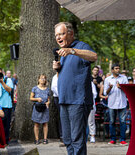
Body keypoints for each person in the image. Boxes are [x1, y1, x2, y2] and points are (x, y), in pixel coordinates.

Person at [52, 22, 97, 155]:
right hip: (64, 100)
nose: (58, 37)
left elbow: (94, 56)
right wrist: (58, 69)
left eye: (62, 34)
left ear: (71, 33)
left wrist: (72, 51)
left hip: (78, 101)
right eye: (56, 35)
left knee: (77, 139)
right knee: (67, 139)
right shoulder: (63, 53)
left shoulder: (80, 46)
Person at [104, 64, 128, 145]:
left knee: (123, 122)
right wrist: (110, 88)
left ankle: (122, 139)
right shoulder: (107, 79)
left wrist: (121, 87)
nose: (118, 70)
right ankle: (113, 139)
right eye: (116, 68)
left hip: (122, 103)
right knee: (112, 121)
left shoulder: (124, 78)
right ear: (112, 70)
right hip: (112, 103)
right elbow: (105, 93)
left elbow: (127, 91)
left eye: (119, 68)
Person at [30, 74, 50, 145]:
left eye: (44, 79)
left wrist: (48, 103)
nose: (43, 80)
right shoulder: (35, 88)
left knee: (45, 123)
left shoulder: (47, 89)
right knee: (36, 124)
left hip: (45, 108)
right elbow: (31, 98)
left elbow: (48, 100)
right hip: (37, 108)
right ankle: (37, 139)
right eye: (41, 78)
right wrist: (37, 99)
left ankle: (45, 139)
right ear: (38, 80)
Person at [51, 72, 62, 141]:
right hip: (58, 98)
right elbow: (54, 88)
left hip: (66, 97)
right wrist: (61, 95)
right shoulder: (55, 77)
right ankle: (62, 135)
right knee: (62, 116)